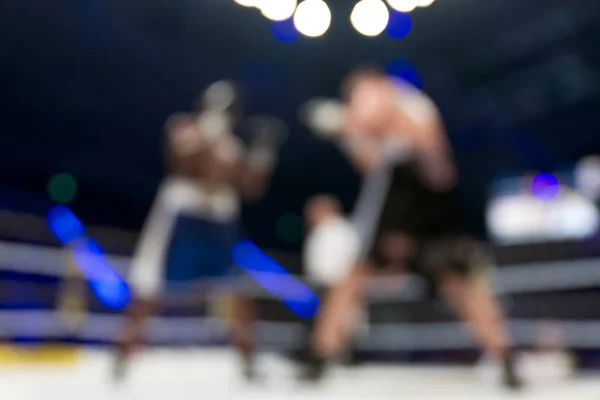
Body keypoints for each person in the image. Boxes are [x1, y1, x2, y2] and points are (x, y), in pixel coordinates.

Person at [308, 67, 523, 389]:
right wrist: (350, 133)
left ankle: (506, 358)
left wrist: (364, 120)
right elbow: (370, 162)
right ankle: (319, 358)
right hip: (391, 206)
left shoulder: (414, 106)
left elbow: (438, 165)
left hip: (428, 211)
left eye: (360, 94)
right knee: (349, 278)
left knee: (462, 282)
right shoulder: (374, 128)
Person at [113, 81, 280, 382]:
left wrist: (262, 155)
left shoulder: (234, 146)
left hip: (220, 221)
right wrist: (207, 135)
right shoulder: (184, 128)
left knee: (236, 290)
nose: (224, 114)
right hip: (182, 216)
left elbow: (251, 189)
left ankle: (249, 361)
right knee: (149, 288)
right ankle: (122, 355)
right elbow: (181, 162)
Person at [296, 195, 361, 380]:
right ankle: (320, 363)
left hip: (336, 284)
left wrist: (339, 286)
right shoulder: (322, 231)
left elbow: (345, 261)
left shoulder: (339, 230)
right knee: (320, 327)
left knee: (331, 326)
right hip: (321, 285)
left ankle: (325, 363)